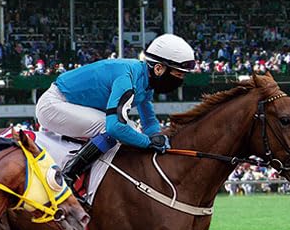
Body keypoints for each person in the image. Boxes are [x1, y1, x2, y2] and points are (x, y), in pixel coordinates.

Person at [36, 33, 196, 187]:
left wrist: (159, 138)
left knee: (132, 129)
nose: (180, 80)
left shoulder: (145, 82)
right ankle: (68, 176)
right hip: (53, 104)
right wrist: (148, 143)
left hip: (70, 104)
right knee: (113, 128)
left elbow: (149, 121)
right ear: (159, 69)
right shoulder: (127, 78)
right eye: (178, 74)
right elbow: (114, 127)